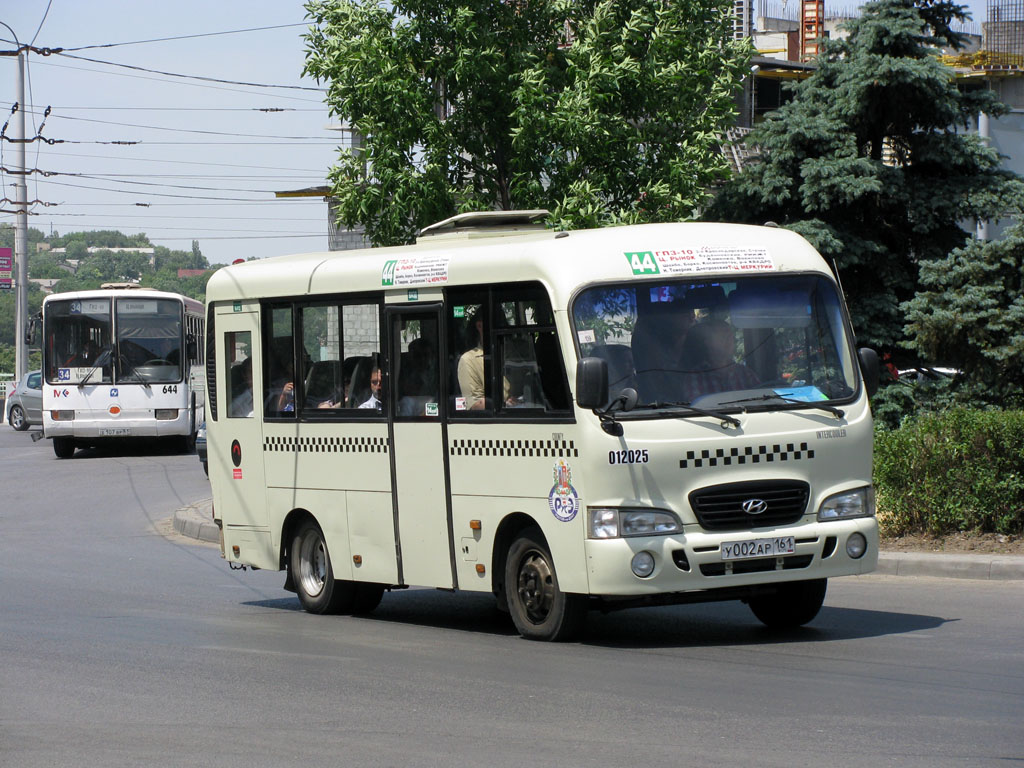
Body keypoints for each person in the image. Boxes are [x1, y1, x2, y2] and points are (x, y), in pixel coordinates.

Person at [681, 319, 759, 400]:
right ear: (708, 342)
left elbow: (761, 401)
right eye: (723, 336)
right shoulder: (696, 377)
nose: (729, 340)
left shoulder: (745, 374)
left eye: (730, 336)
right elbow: (696, 410)